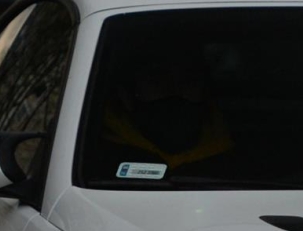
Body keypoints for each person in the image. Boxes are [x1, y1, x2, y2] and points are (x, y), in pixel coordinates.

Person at [89, 36, 239, 178]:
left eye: (187, 81)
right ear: (126, 95)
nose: (175, 91)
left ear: (204, 91)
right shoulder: (92, 164)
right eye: (157, 81)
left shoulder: (235, 169)